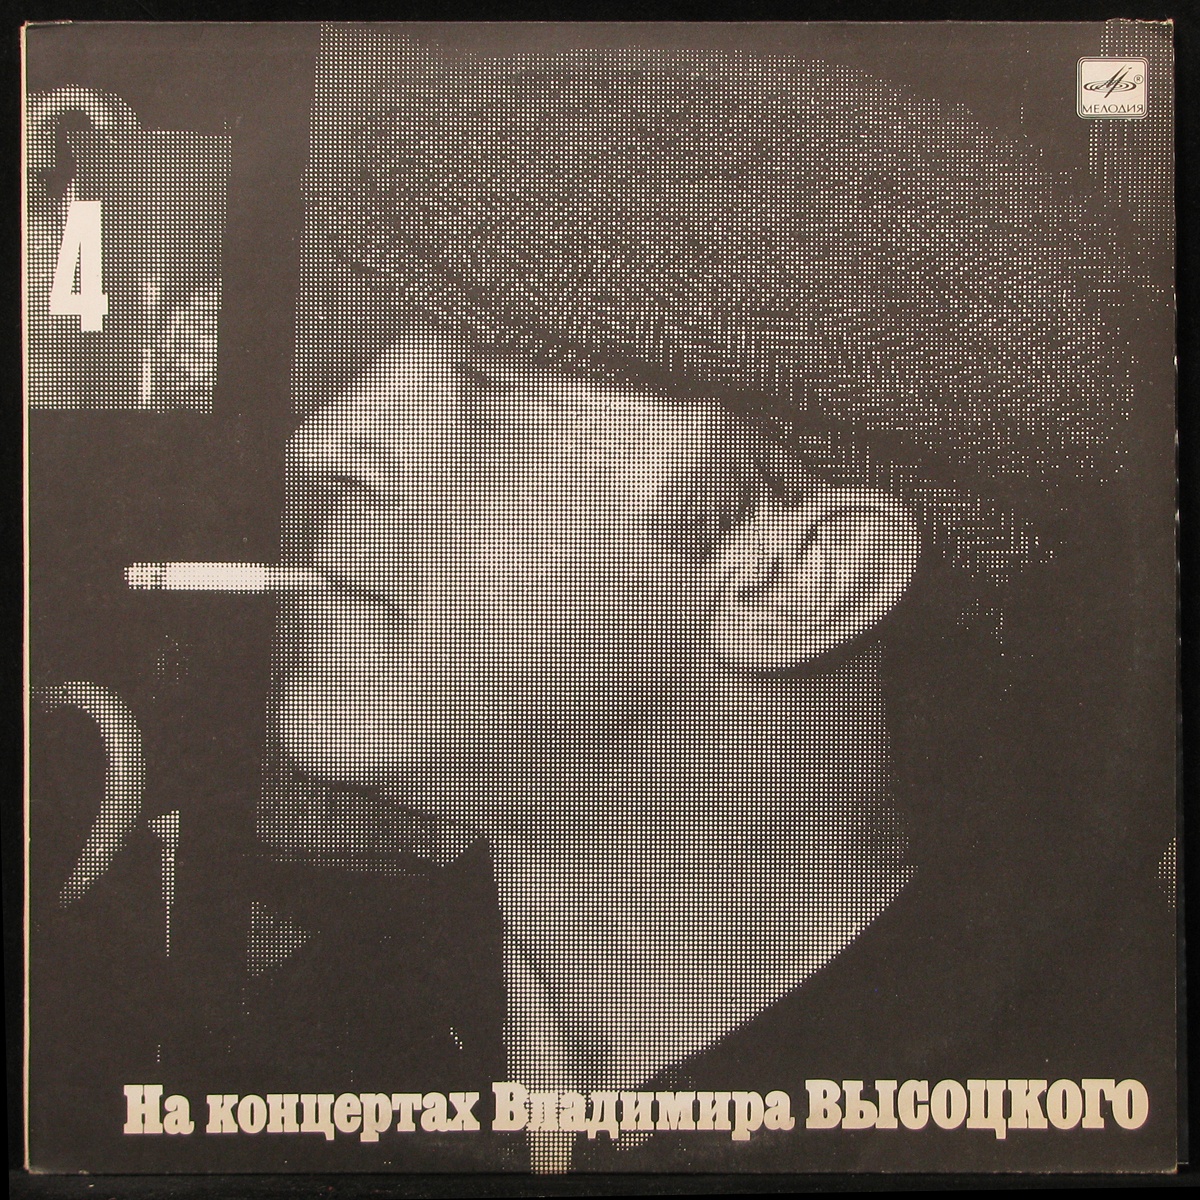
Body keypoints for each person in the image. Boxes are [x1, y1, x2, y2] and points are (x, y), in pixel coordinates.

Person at [243, 31, 1175, 1173]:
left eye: (486, 382)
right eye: (393, 358)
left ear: (801, 580)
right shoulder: (286, 1048)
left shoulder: (1064, 1115)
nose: (322, 442)